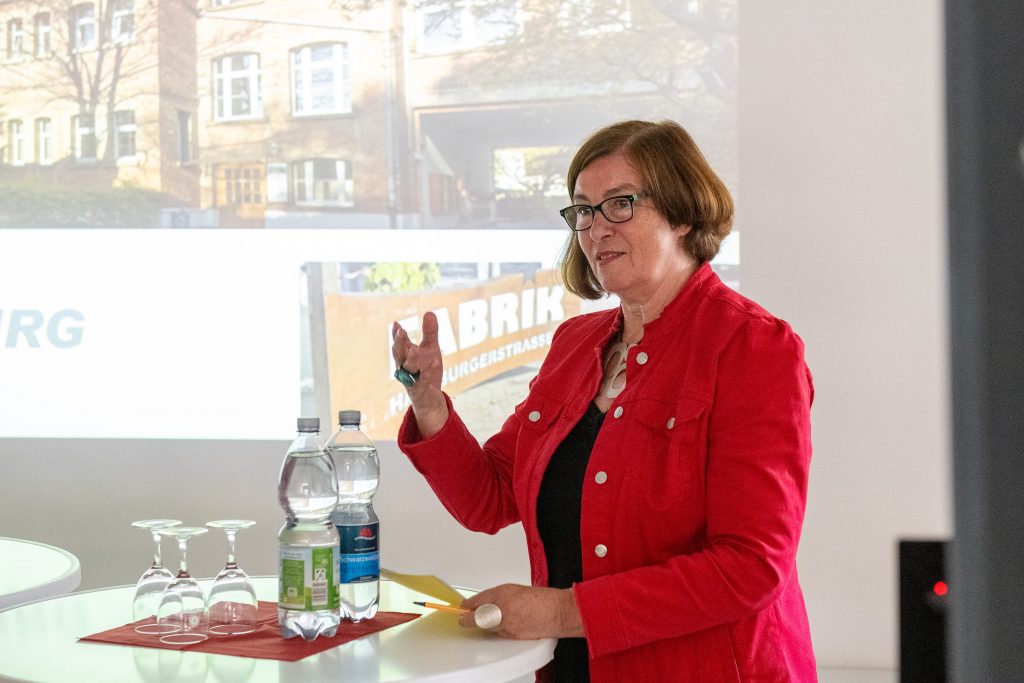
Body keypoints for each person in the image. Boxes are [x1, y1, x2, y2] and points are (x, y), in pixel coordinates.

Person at [391, 119, 816, 682]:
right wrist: (429, 405)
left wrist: (564, 611)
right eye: (583, 211)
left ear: (683, 212)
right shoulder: (577, 344)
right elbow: (490, 498)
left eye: (619, 204)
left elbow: (751, 566)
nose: (594, 229)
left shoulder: (754, 348)